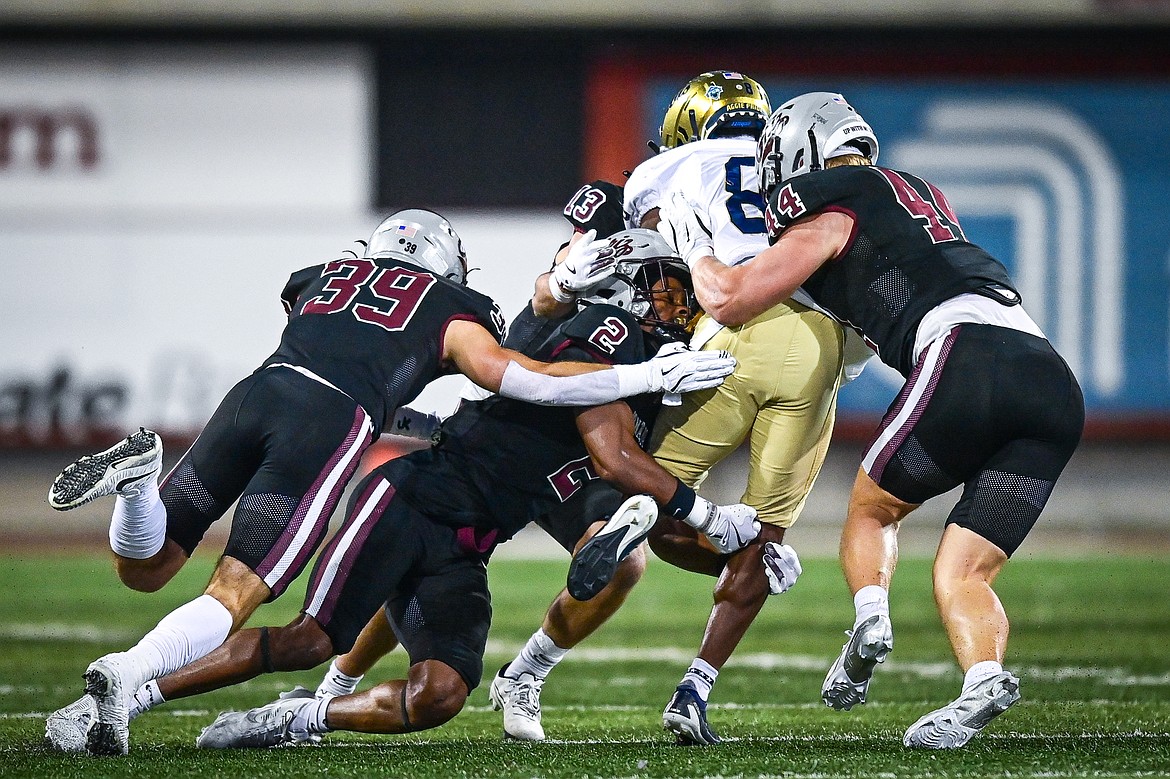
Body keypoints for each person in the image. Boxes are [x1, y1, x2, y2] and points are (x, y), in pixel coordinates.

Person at [42, 210, 736, 756]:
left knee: (438, 692)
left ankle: (296, 707)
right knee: (282, 618)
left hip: (318, 430)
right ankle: (130, 691)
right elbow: (541, 392)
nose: (672, 306)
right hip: (395, 480)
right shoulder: (593, 331)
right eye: (662, 289)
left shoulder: (328, 277)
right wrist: (703, 494)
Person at [659, 90, 1085, 749]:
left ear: (796, 151)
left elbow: (733, 297)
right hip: (1051, 380)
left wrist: (694, 247)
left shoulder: (833, 204)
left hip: (965, 354)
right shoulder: (917, 192)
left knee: (870, 509)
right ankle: (981, 681)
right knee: (964, 571)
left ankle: (869, 623)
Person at [564, 70, 857, 746]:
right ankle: (694, 688)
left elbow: (653, 264)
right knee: (768, 538)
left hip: (722, 342)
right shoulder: (795, 163)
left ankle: (638, 518)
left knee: (661, 496)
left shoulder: (662, 169)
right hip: (817, 344)